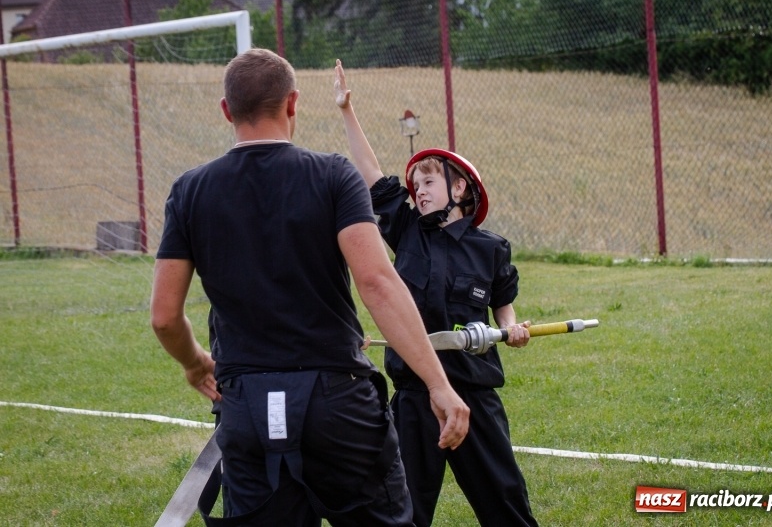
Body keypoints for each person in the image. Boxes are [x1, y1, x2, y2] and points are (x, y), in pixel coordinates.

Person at [150, 48, 469, 527]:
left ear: (226, 110)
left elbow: (163, 317)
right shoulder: (333, 175)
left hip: (245, 406)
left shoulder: (189, 190)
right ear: (293, 103)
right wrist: (438, 384)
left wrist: (195, 364)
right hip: (337, 402)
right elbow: (377, 282)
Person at [334, 59, 539, 527]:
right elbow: (371, 175)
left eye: (428, 182)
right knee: (401, 511)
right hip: (413, 397)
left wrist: (512, 330)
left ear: (459, 187)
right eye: (416, 185)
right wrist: (347, 110)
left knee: (506, 503)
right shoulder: (406, 231)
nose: (419, 191)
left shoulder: (491, 250)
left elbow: (504, 310)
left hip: (475, 394)